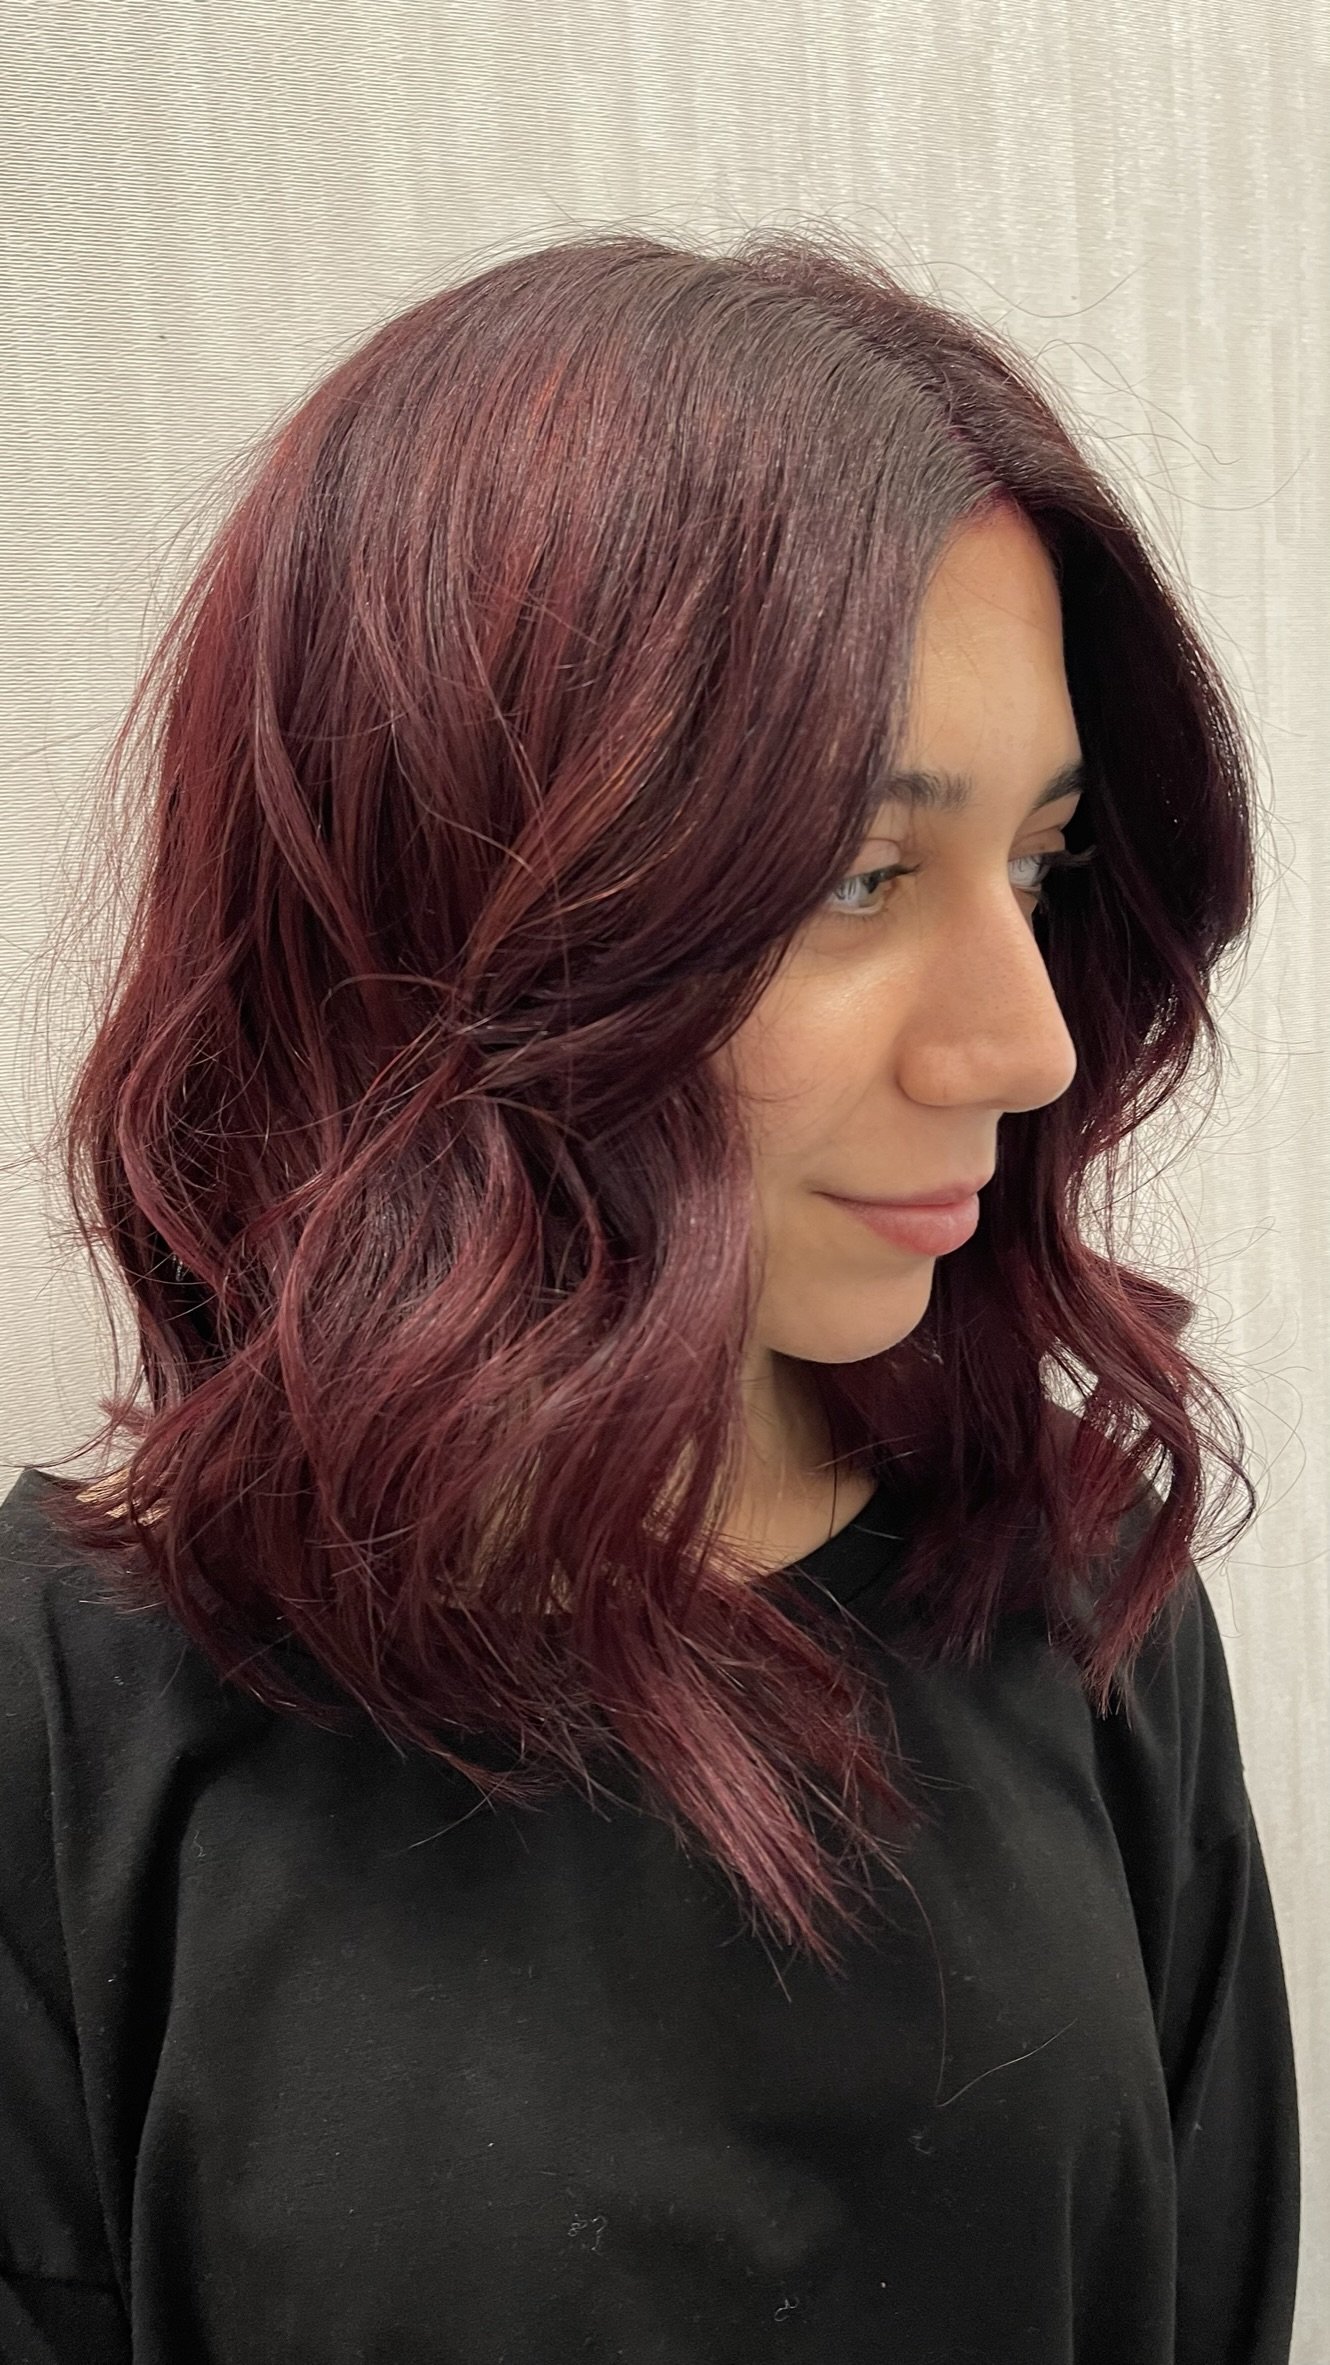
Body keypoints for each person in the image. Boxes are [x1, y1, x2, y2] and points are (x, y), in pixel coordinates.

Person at [0, 228, 1299, 2362]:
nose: (1027, 1042)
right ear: (475, 913)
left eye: (1039, 868)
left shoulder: (1073, 1593)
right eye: (861, 877)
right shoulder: (74, 1725)